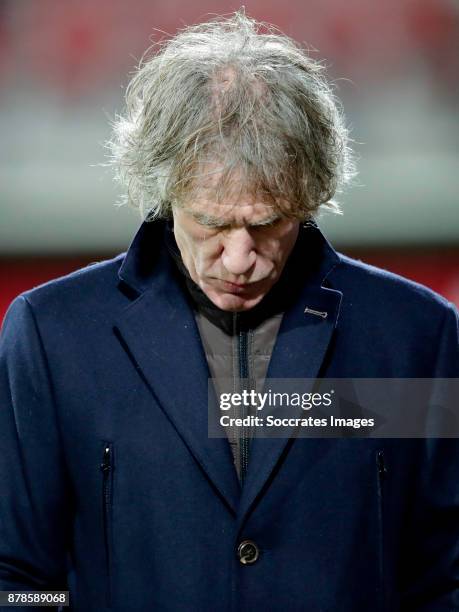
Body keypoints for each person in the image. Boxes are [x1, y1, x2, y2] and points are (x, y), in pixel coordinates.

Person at [0, 11, 458, 612]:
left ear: (312, 194)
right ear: (162, 191)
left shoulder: (415, 336)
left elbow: (444, 573)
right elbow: (21, 580)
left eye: (268, 224)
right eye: (212, 223)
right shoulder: (53, 335)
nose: (240, 259)